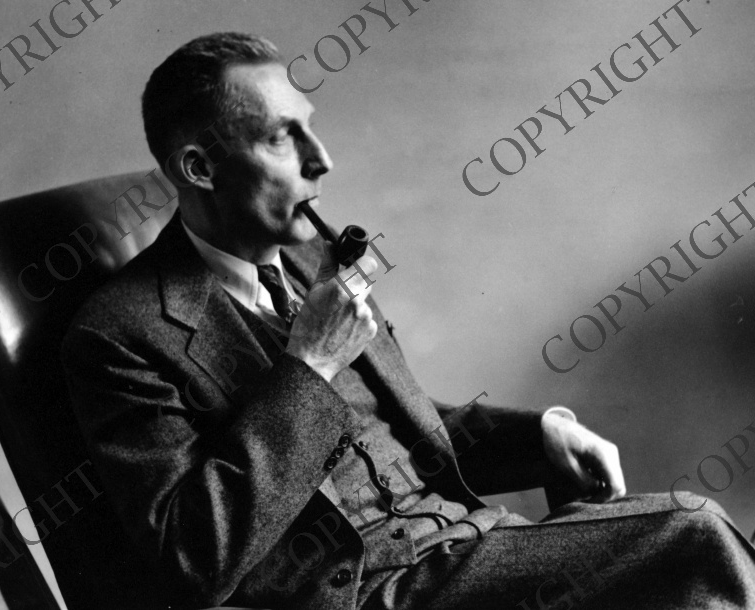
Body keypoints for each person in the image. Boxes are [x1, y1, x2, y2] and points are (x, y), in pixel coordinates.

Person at [61, 32, 755, 610]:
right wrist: (310, 364)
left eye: (310, 126)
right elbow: (193, 558)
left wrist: (540, 433)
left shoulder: (308, 261)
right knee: (693, 535)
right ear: (199, 167)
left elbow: (400, 432)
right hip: (368, 590)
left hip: (466, 547)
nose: (321, 159)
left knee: (687, 553)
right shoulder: (120, 334)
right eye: (280, 138)